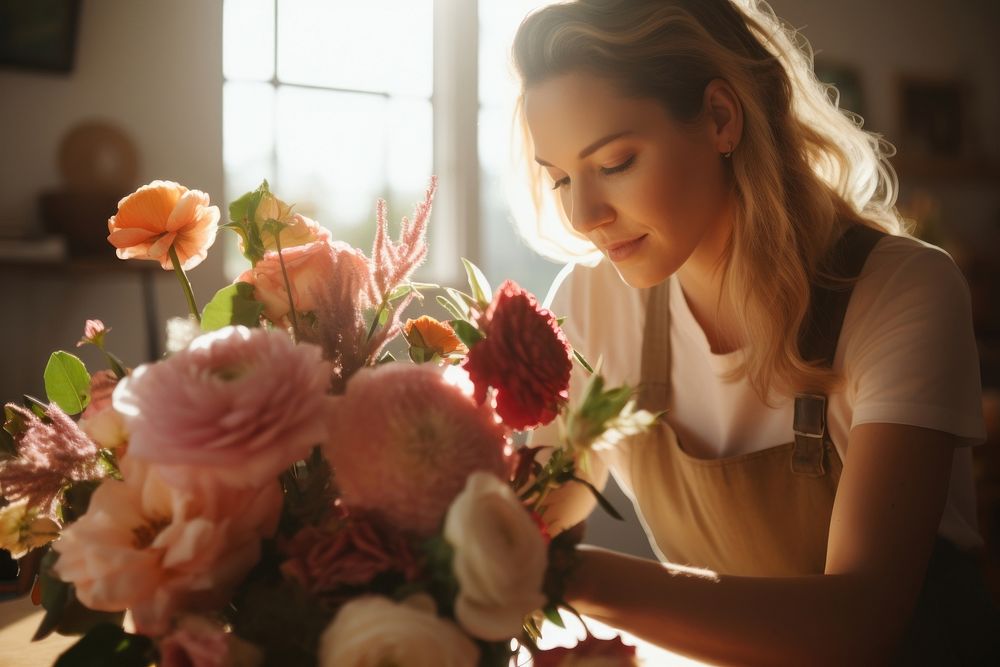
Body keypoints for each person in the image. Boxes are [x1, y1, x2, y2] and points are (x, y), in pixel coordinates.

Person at [512, 0, 1000, 663]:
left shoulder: (902, 292)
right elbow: (527, 519)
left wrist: (572, 576)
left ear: (720, 117)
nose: (582, 214)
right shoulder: (594, 302)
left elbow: (864, 616)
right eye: (561, 176)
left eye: (616, 162)